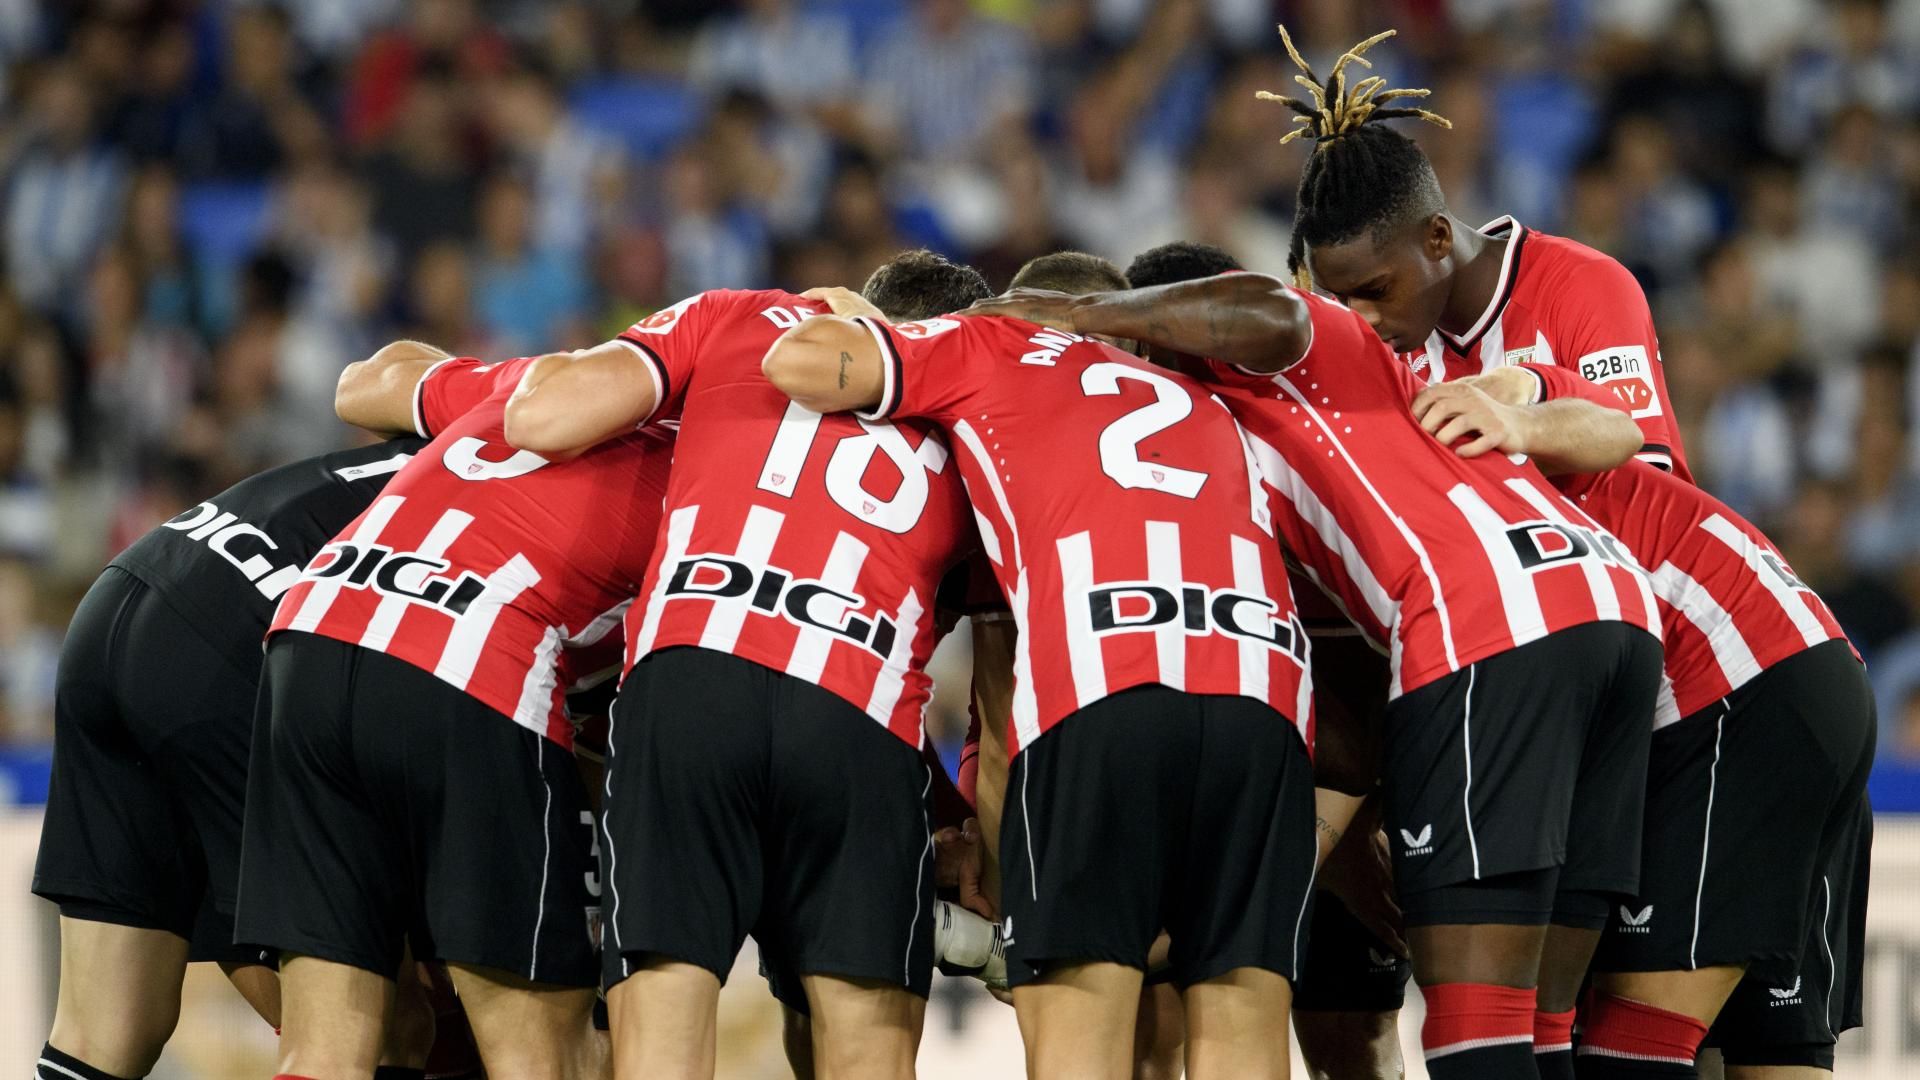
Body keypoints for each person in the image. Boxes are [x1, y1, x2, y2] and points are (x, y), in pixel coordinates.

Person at [962, 240, 1663, 1080]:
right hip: (1344, 748)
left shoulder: (1285, 430)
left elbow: (1362, 702)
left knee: (1414, 1031)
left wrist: (1315, 854)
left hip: (1380, 748)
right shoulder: (1163, 459)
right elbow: (995, 715)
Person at [762, 250, 1321, 1080]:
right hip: (1260, 689)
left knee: (1078, 1043)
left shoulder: (991, 355)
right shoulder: (1217, 394)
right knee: (1236, 1038)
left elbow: (798, 363)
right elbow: (1288, 320)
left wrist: (856, 317)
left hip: (1100, 683)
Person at [503, 250, 992, 1080]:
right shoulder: (977, 415)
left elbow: (541, 421)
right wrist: (966, 828)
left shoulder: (734, 314)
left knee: (660, 1042)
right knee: (864, 1050)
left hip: (689, 674)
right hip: (855, 704)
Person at [235, 338, 672, 1079]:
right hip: (468, 651)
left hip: (313, 629)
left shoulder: (532, 386)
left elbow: (360, 386)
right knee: (545, 1053)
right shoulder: (723, 468)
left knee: (323, 1048)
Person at [1461, 369, 1876, 1080]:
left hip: (1742, 694)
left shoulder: (1489, 501)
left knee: (1631, 1042)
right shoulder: (1562, 445)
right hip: (1811, 673)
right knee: (1770, 1036)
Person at [31, 434, 432, 1080]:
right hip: (239, 642)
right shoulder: (563, 481)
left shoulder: (469, 419)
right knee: (383, 1029)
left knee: (105, 1029)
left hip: (128, 588)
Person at [1262, 28, 1691, 484]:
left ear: (1438, 238)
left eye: (1377, 290)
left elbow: (1641, 474)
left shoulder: (1586, 285)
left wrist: (1521, 425)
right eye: (1342, 298)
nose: (1361, 319)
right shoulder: (1385, 347)